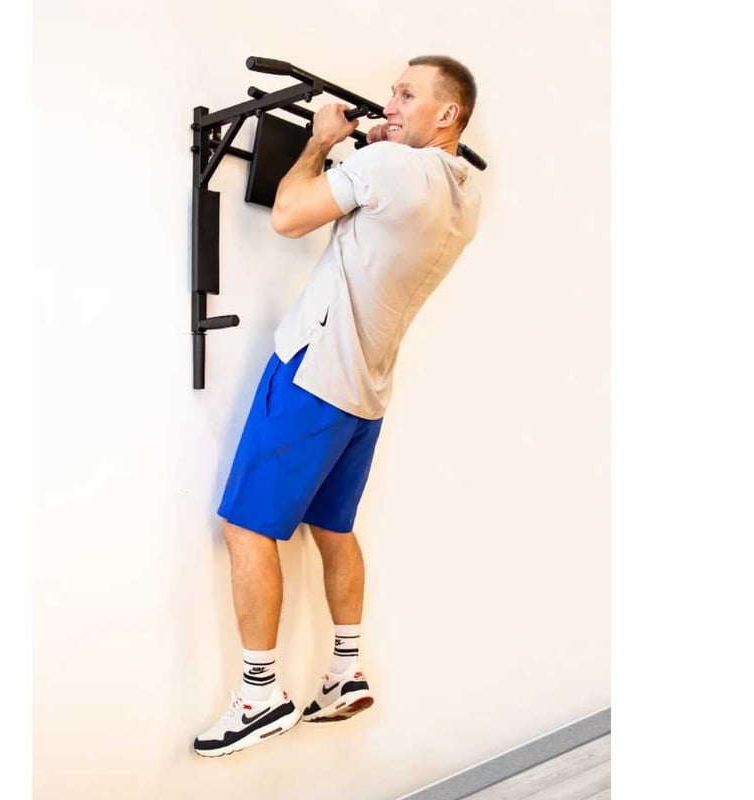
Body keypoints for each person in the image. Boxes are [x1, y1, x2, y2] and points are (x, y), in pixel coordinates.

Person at [194, 55, 482, 758]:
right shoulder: (465, 194)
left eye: (406, 94)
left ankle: (258, 695)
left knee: (245, 527)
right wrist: (381, 147)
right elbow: (389, 207)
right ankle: (346, 672)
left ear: (448, 114)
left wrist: (321, 143)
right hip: (367, 392)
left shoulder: (391, 169)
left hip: (314, 372)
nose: (391, 103)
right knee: (332, 527)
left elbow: (290, 216)